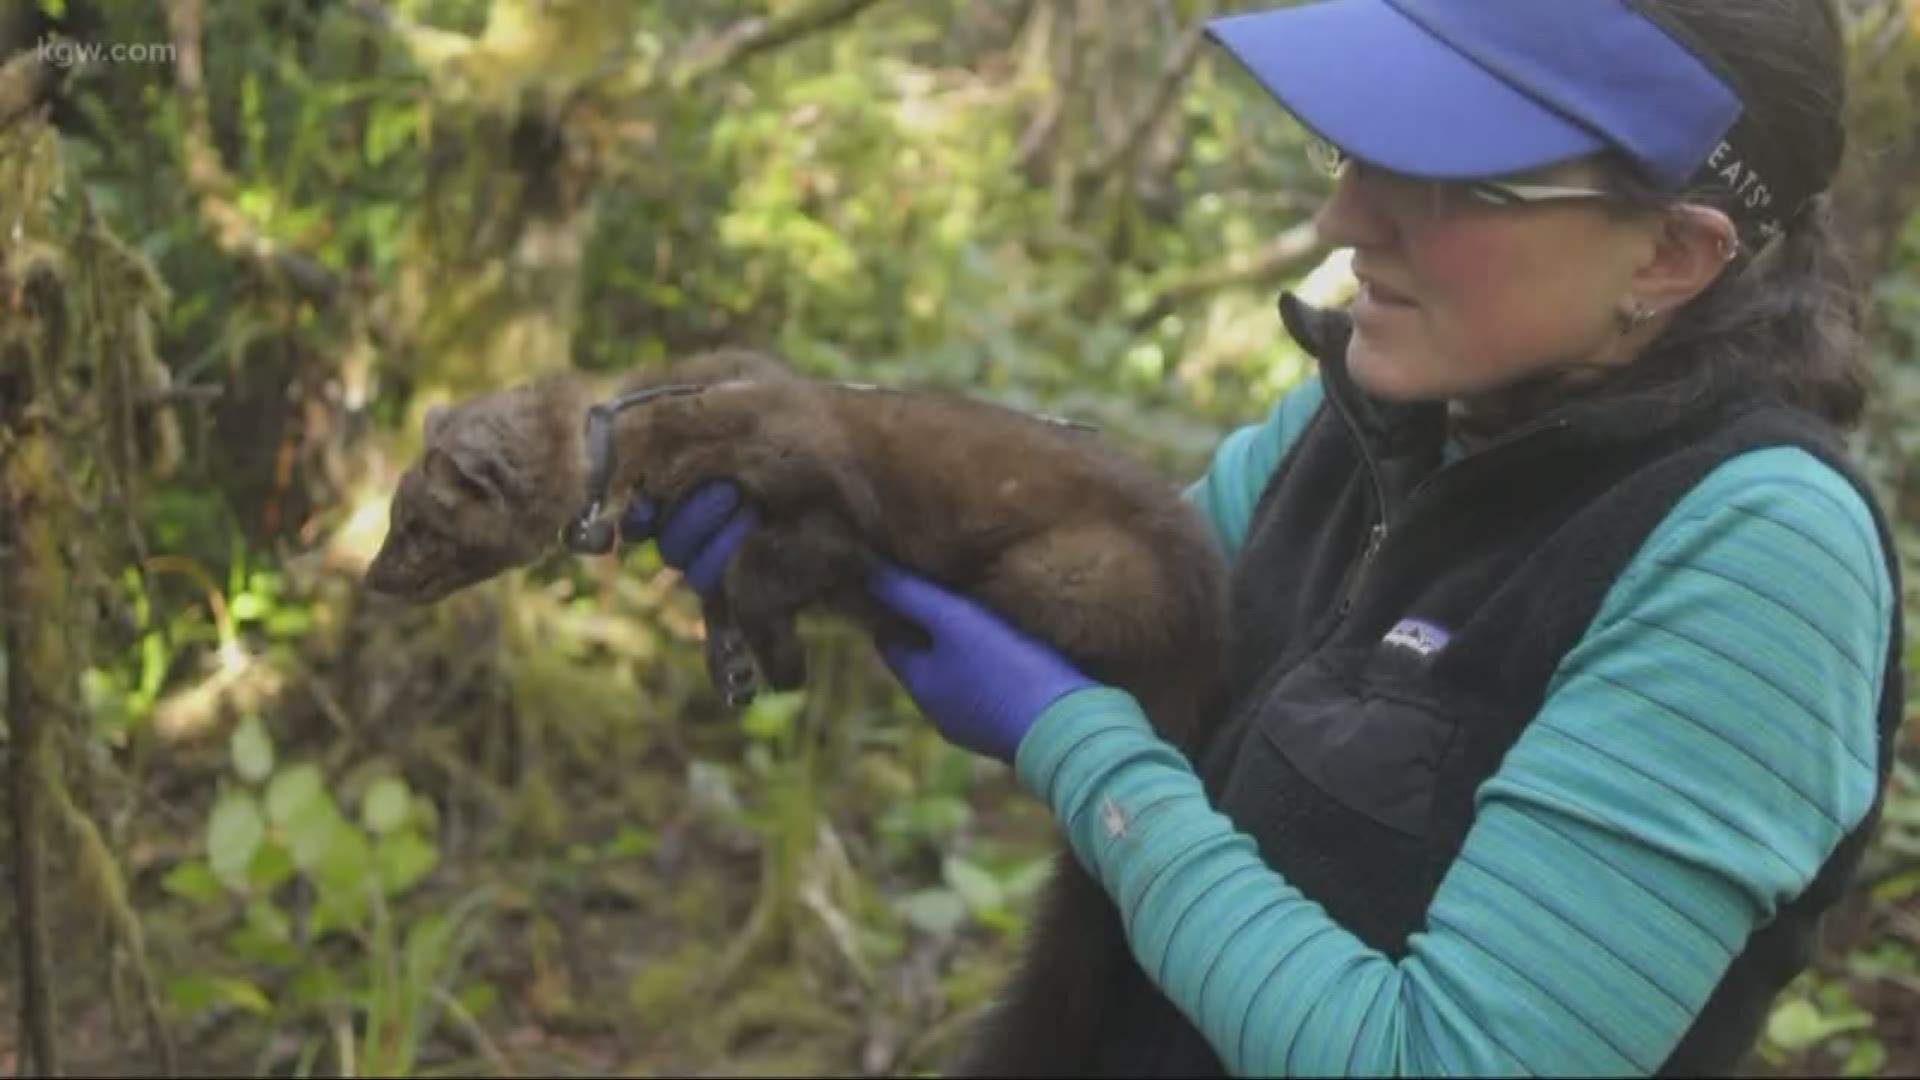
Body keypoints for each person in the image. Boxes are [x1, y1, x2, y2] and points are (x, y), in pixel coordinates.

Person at [620, 0, 1908, 1075]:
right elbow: (1100, 606)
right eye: (1353, 145)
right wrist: (819, 498)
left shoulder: (1757, 557)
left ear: (1674, 255)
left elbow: (1443, 1058)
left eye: (1449, 170)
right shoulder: (1378, 414)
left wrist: (1079, 755)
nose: (1345, 220)